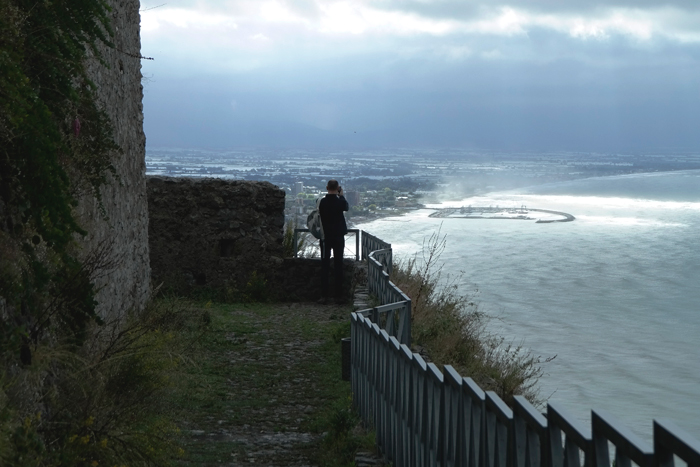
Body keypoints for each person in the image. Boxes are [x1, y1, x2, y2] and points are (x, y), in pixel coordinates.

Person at [319, 179, 349, 303]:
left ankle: (324, 295)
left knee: (325, 265)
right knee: (338, 265)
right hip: (338, 236)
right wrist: (341, 195)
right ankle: (338, 296)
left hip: (326, 236)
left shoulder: (322, 202)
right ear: (337, 188)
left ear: (327, 187)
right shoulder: (340, 202)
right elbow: (346, 207)